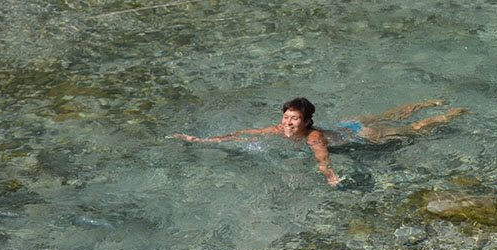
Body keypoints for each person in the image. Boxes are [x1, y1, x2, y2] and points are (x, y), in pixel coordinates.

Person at [173, 97, 467, 186]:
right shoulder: (278, 129)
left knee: (412, 129)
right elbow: (242, 134)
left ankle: (449, 114)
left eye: (294, 119)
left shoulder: (313, 136)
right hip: (348, 125)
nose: (288, 124)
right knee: (389, 111)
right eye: (286, 117)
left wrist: (331, 178)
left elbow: (322, 157)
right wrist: (203, 140)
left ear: (307, 122)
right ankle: (426, 102)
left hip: (361, 135)